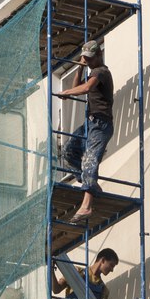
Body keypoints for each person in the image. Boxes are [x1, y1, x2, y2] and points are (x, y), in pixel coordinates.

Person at [54, 40, 114, 221]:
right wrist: (79, 67)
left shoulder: (101, 71)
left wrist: (67, 93)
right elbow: (77, 84)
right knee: (68, 152)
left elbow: (86, 88)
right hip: (90, 123)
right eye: (85, 58)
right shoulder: (91, 71)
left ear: (99, 55)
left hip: (100, 125)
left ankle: (86, 205)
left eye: (90, 58)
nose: (87, 61)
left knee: (89, 161)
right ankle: (90, 185)